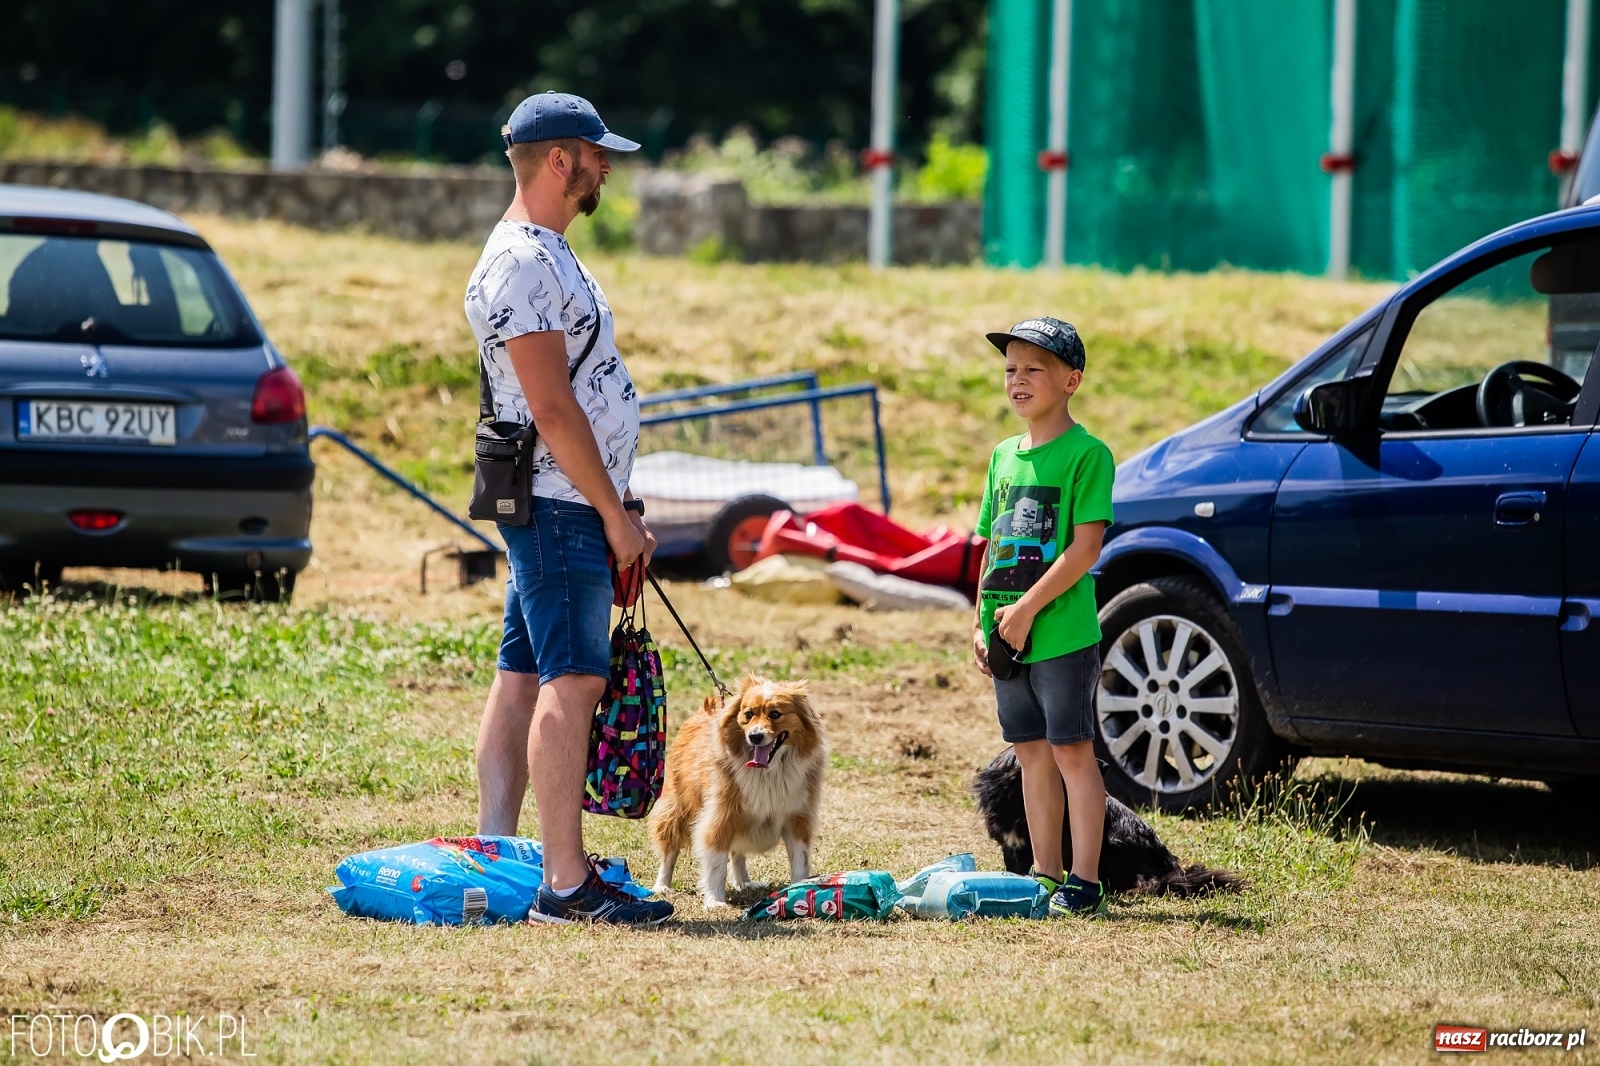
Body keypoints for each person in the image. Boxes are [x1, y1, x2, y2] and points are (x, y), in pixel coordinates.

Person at [463, 91, 672, 925]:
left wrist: (619, 499)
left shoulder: (549, 251)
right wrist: (613, 516)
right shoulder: (520, 261)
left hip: (570, 500)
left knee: (521, 677)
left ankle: (497, 851)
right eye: (596, 151)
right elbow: (552, 408)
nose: (606, 164)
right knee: (574, 681)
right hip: (559, 506)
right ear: (559, 160)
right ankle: (562, 882)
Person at [971, 317, 1115, 918]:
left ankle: (1085, 880)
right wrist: (981, 623)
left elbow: (1085, 548)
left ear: (1071, 380)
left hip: (1060, 635)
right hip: (1006, 634)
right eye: (1010, 369)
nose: (1018, 380)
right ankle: (1045, 875)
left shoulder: (1088, 455)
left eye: (1034, 368)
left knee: (1071, 752)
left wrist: (1028, 609)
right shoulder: (1004, 456)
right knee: (1029, 753)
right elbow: (991, 545)